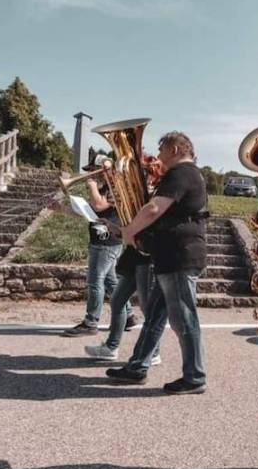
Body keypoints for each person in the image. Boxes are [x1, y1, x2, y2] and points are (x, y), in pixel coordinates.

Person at [106, 131, 209, 395]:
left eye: (162, 149)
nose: (159, 155)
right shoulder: (184, 174)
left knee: (183, 319)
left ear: (175, 149)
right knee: (155, 317)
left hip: (179, 256)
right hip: (171, 256)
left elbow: (153, 209)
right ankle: (137, 367)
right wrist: (127, 231)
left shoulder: (181, 173)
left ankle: (194, 377)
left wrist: (129, 230)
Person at [59, 173, 137, 338]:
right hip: (103, 242)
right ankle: (128, 316)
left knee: (95, 282)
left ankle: (91, 322)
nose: (89, 175)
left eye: (92, 170)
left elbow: (99, 205)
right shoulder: (104, 188)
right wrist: (59, 208)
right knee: (111, 282)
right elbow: (89, 213)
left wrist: (92, 186)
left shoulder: (115, 188)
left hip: (106, 243)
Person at [81, 246, 163, 365]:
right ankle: (111, 347)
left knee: (148, 309)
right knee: (117, 300)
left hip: (146, 257)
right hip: (134, 256)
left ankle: (153, 353)